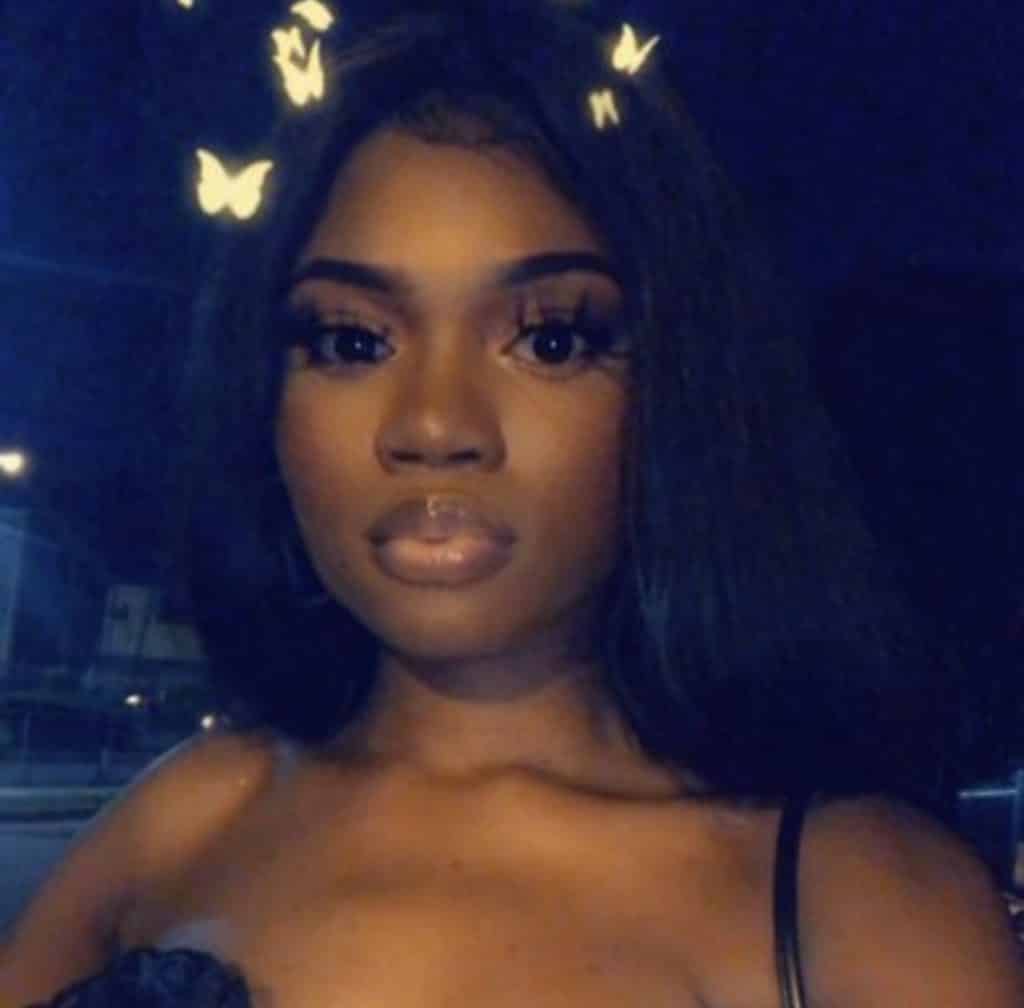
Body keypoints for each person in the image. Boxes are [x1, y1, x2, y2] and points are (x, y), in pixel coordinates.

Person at [3, 2, 1023, 1005]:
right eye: (353, 341)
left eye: (551, 339)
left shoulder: (862, 901)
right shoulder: (184, 818)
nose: (435, 424)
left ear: (680, 385)